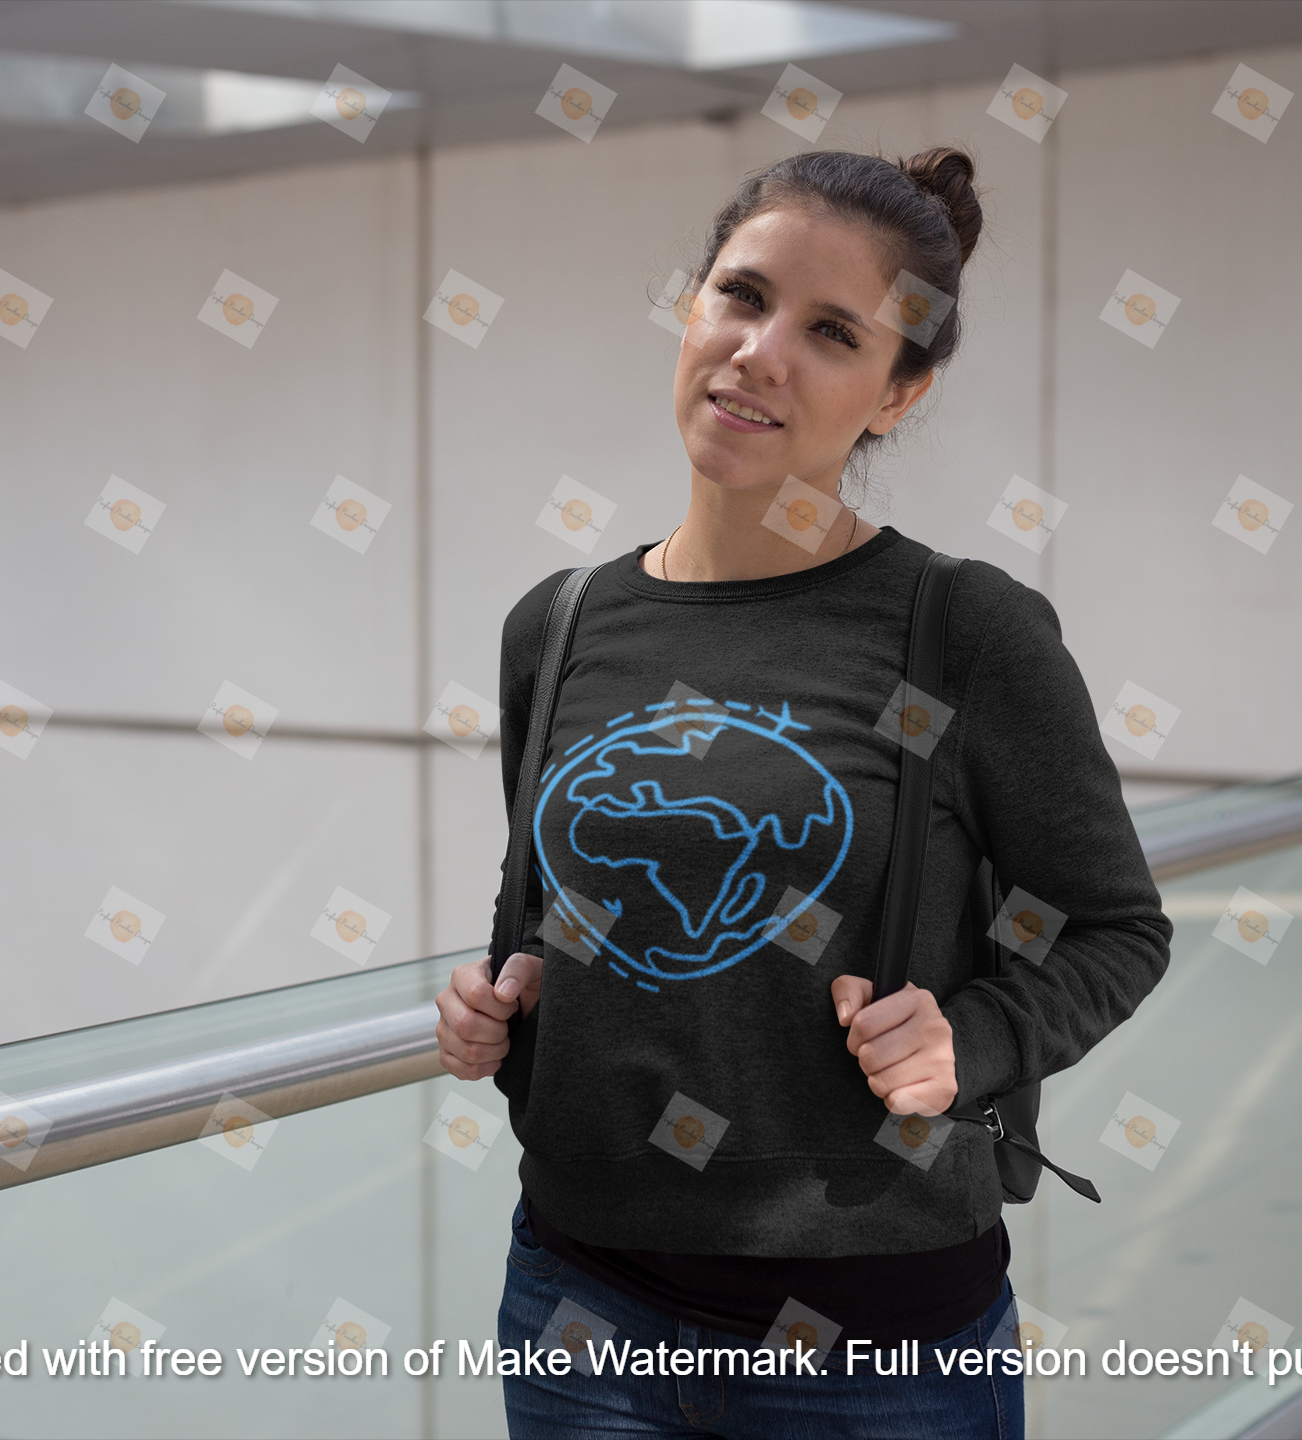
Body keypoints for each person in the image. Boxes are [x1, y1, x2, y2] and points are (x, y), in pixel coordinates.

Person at [435, 145, 1173, 1439]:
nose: (758, 351)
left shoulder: (964, 631)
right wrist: (509, 1011)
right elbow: (552, 917)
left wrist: (972, 1039)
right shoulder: (553, 628)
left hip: (876, 1347)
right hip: (581, 1306)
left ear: (898, 393)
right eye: (740, 294)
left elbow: (1116, 927)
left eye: (831, 332)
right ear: (691, 308)